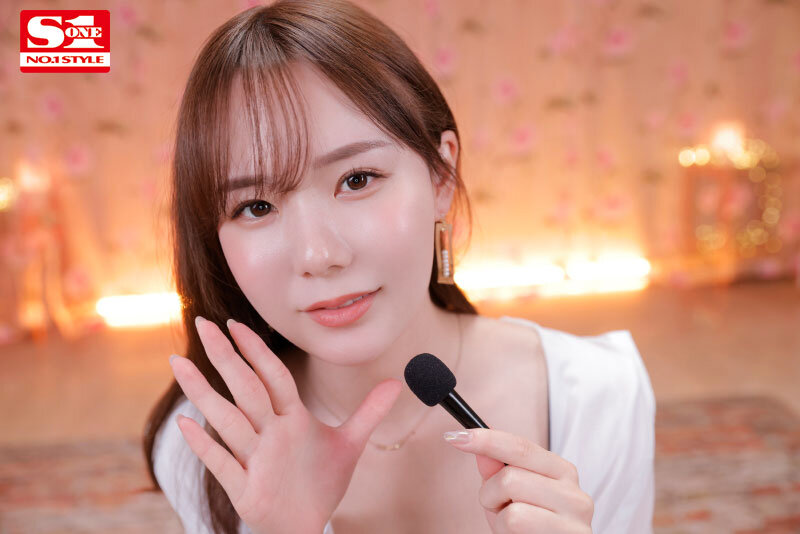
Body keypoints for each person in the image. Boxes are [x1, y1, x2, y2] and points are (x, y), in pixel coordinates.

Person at [142, 1, 656, 533]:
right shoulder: (208, 444)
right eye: (256, 207)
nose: (320, 255)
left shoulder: (598, 398)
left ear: (442, 177)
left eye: (357, 179)